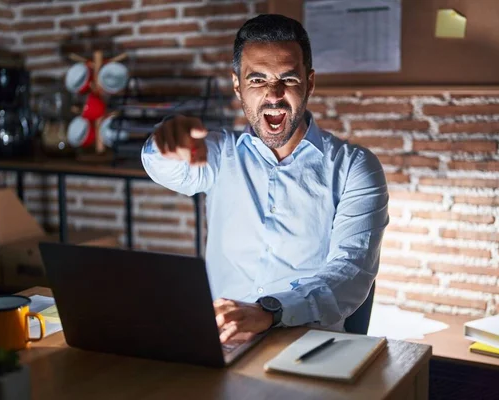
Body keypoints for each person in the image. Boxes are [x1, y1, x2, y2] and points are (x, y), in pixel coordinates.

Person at [142, 14, 389, 344]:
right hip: (222, 340)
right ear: (237, 86)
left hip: (308, 346)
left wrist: (270, 311)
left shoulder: (355, 168)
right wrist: (162, 144)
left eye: (288, 79)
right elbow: (165, 169)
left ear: (310, 83)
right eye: (257, 80)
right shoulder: (217, 152)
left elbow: (350, 273)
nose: (273, 95)